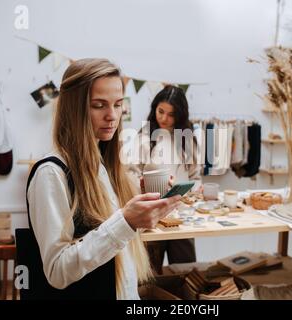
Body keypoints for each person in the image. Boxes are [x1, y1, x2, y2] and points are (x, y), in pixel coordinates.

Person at [26, 58, 182, 299]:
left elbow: (113, 246)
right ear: (73, 108)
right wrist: (126, 221)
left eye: (118, 104)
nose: (112, 116)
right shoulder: (51, 173)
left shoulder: (104, 165)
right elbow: (57, 271)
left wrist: (144, 202)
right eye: (99, 105)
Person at [128, 85, 202, 274]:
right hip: (151, 215)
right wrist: (146, 188)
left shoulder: (187, 139)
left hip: (181, 215)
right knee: (149, 273)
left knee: (185, 271)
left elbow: (195, 176)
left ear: (180, 115)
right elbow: (131, 175)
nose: (164, 118)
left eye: (171, 114)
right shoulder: (144, 137)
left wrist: (195, 191)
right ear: (154, 108)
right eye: (161, 111)